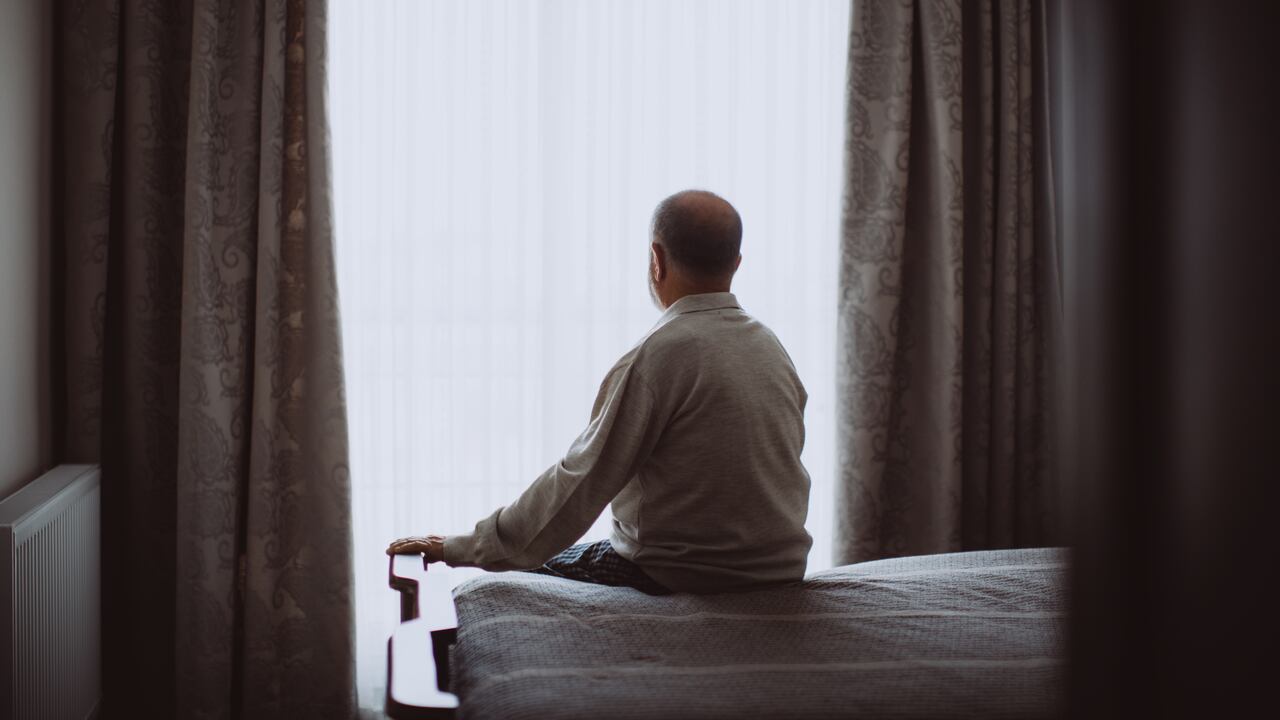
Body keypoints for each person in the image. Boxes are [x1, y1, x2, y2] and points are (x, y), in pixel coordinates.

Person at [386, 189, 813, 595]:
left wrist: (459, 548)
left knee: (511, 572)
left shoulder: (660, 354)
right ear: (736, 263)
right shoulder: (771, 347)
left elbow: (581, 481)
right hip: (777, 574)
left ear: (656, 260)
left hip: (679, 575)